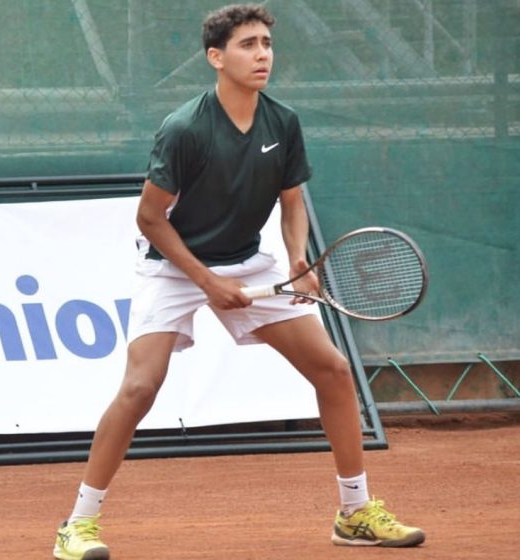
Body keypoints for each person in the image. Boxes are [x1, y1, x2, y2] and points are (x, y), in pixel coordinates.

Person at [52, 4, 425, 559]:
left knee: (332, 369)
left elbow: (292, 201)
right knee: (139, 388)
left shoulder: (283, 122)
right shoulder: (184, 129)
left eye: (267, 45)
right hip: (173, 266)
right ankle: (77, 526)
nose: (262, 55)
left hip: (250, 263)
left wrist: (297, 261)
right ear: (215, 57)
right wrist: (205, 282)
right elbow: (150, 219)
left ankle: (354, 512)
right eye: (248, 45)